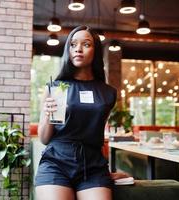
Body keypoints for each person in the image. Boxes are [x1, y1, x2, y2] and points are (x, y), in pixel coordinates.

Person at [35, 25, 118, 200]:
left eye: (86, 44)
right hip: (56, 162)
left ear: (95, 51)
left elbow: (97, 132)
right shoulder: (55, 88)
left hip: (93, 166)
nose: (78, 49)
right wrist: (48, 113)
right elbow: (44, 138)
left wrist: (109, 172)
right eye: (73, 45)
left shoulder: (108, 93)